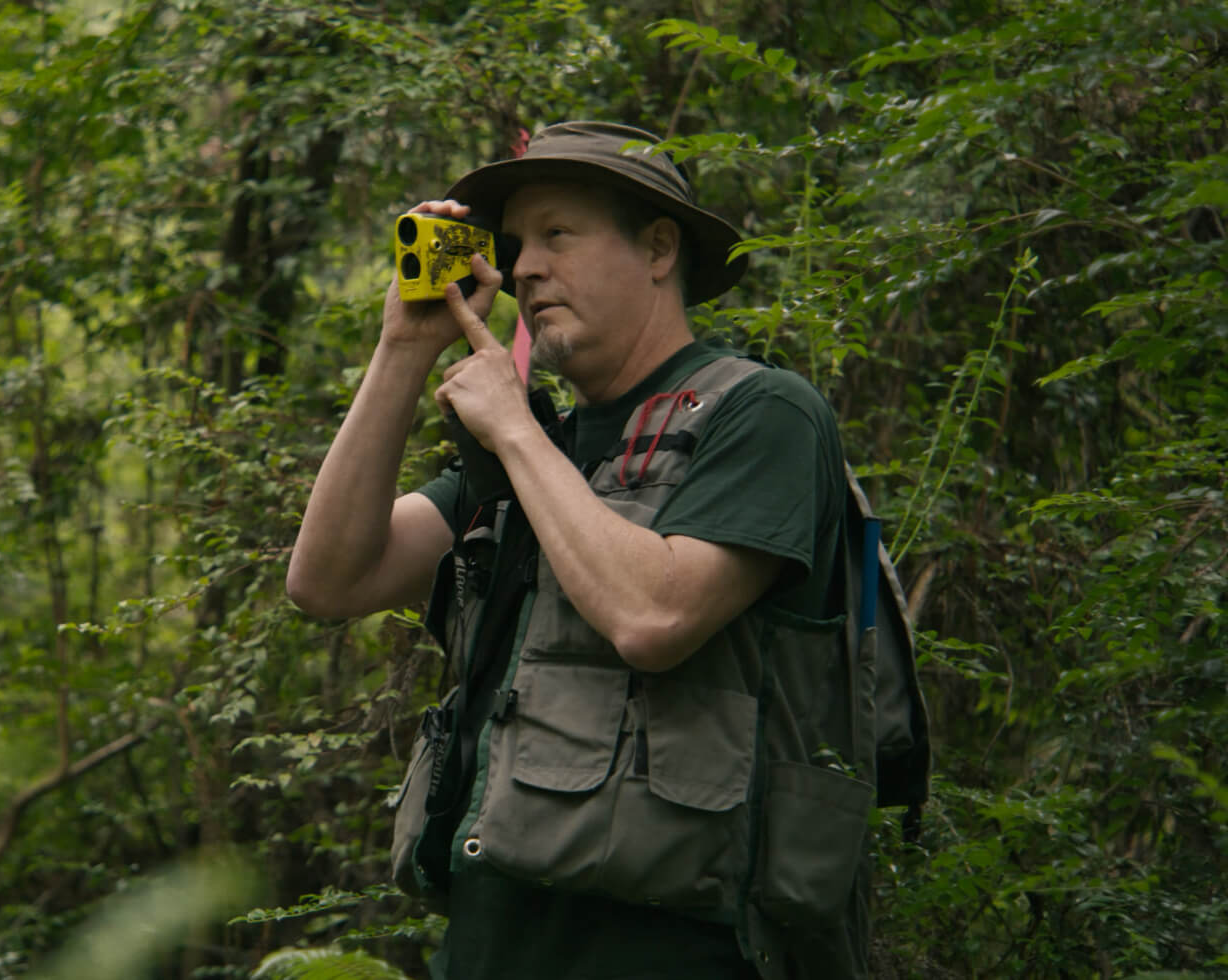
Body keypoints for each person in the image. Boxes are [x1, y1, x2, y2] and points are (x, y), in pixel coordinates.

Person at [286, 122, 871, 980]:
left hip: (678, 951)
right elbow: (327, 580)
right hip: (492, 942)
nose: (524, 269)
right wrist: (403, 350)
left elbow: (655, 614)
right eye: (517, 245)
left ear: (660, 248)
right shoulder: (539, 449)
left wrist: (515, 430)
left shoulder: (765, 414)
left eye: (558, 235)